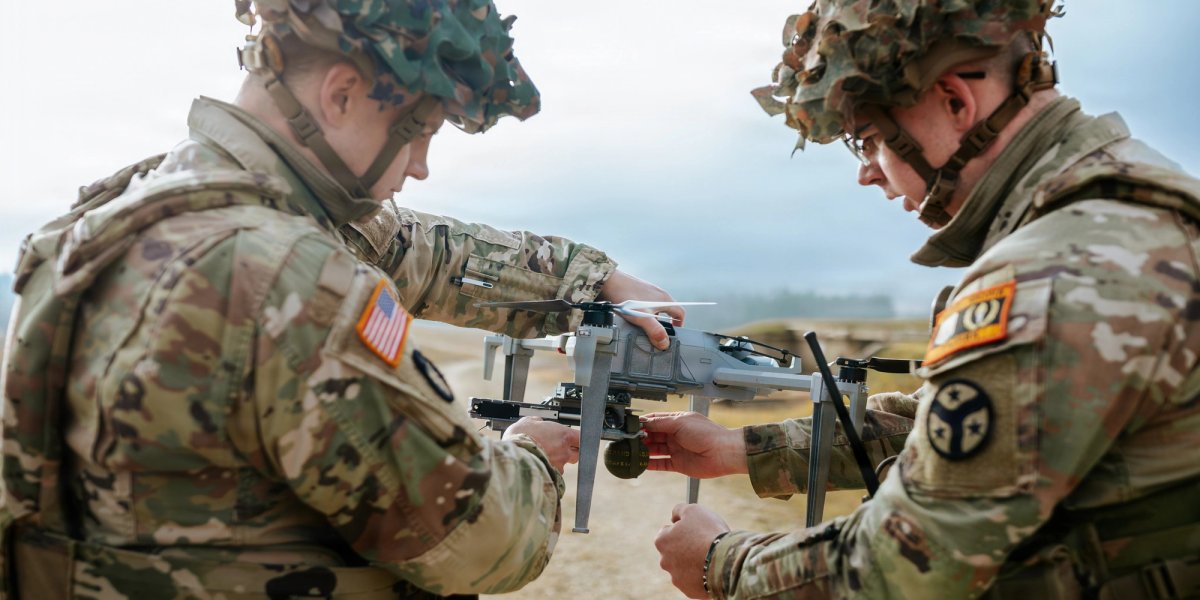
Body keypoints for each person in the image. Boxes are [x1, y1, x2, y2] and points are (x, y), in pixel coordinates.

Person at [0, 1, 682, 598]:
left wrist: (588, 280)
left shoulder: (126, 213)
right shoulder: (286, 280)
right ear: (342, 93)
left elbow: (413, 249)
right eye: (420, 130)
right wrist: (529, 451)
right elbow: (482, 541)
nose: (421, 165)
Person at [646, 1, 1200, 598]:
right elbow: (955, 428)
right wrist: (741, 448)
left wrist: (721, 564)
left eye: (869, 139)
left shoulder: (1057, 272)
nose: (869, 173)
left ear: (956, 103)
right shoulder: (1123, 213)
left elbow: (911, 564)